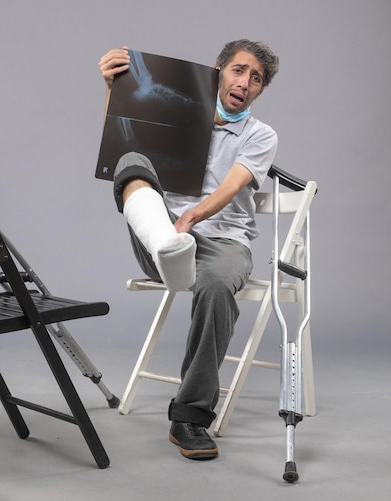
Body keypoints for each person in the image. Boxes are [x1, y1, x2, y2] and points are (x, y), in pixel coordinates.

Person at [98, 40, 279, 460]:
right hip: (161, 236)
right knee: (130, 160)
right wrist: (113, 88)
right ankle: (169, 250)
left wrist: (192, 219)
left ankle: (190, 418)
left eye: (256, 79)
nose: (245, 83)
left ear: (259, 90)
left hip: (222, 243)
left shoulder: (260, 135)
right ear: (218, 71)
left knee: (215, 286)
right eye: (238, 70)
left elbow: (234, 183)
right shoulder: (176, 111)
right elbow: (123, 140)